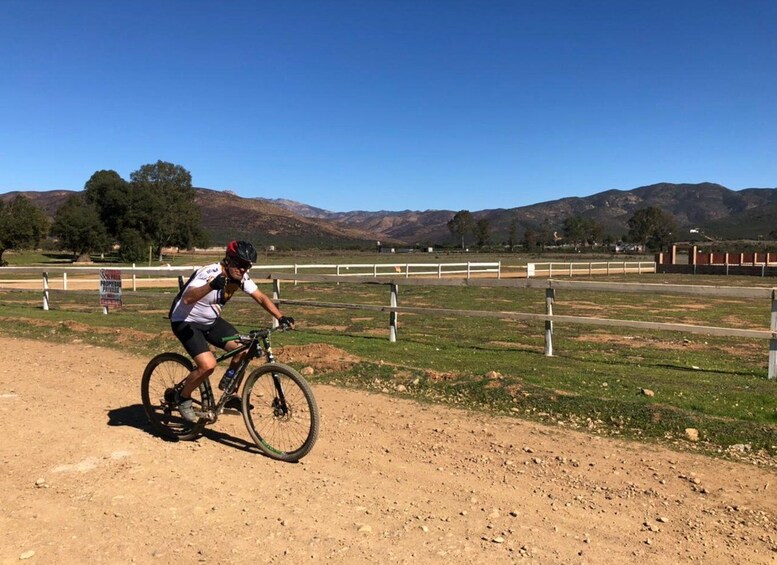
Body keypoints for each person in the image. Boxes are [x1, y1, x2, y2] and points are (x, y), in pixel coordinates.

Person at [169, 240, 294, 422]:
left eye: (247, 266)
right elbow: (187, 298)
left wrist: (281, 316)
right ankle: (183, 397)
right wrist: (211, 286)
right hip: (186, 321)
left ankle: (230, 394)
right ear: (229, 260)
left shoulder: (241, 278)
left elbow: (260, 297)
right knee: (208, 365)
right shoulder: (210, 273)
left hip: (211, 321)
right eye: (240, 264)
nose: (243, 269)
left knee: (244, 351)